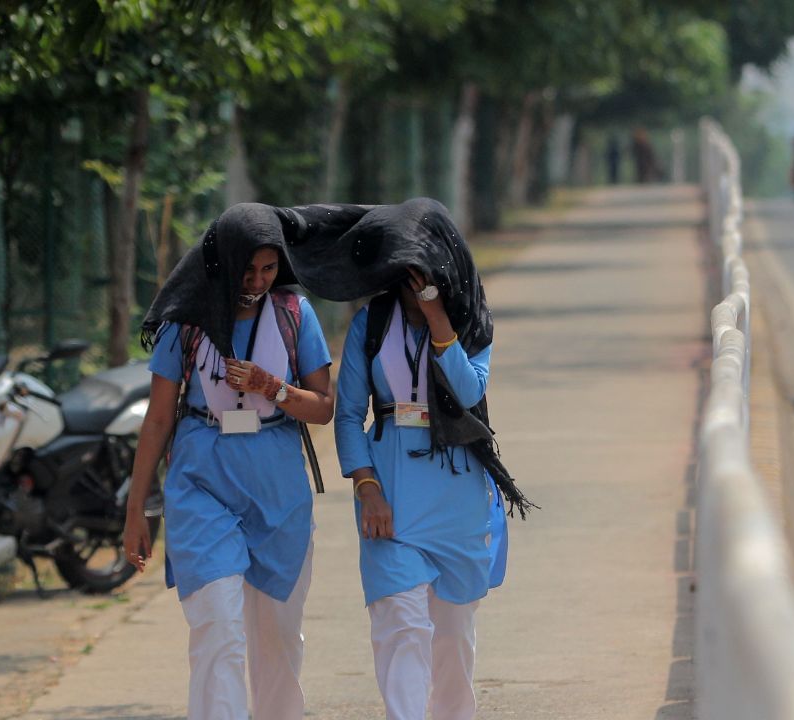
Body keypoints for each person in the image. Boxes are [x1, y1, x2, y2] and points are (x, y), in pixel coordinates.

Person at [280, 197, 532, 720]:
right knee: (401, 624)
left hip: (457, 492)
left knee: (454, 642)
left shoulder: (472, 324)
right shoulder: (371, 324)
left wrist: (441, 324)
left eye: (425, 272)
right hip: (389, 489)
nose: (415, 283)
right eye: (405, 271)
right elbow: (348, 415)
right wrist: (366, 486)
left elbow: (468, 393)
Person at [123, 203, 334, 720]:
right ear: (223, 261)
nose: (257, 281)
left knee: (277, 634)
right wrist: (136, 509)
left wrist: (272, 387)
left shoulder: (293, 313)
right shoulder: (186, 320)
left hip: (277, 483)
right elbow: (157, 419)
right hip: (202, 478)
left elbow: (323, 408)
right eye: (247, 269)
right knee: (218, 621)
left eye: (267, 269)